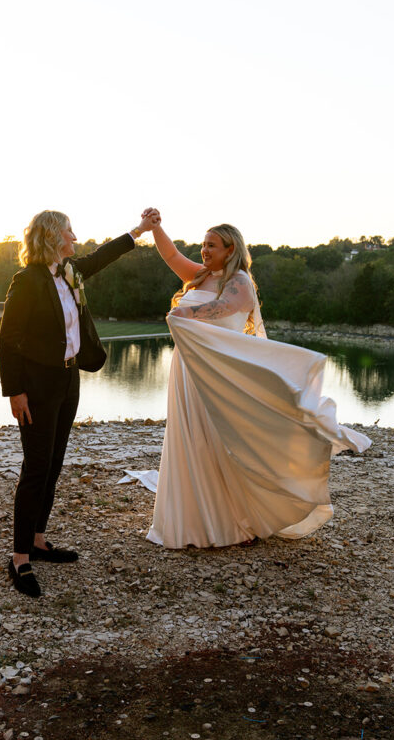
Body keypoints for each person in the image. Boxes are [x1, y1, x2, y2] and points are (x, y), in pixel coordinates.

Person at [146, 217, 372, 549]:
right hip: (188, 366)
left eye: (211, 245)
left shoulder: (239, 281)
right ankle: (190, 519)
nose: (204, 250)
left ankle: (230, 521)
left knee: (218, 438)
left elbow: (226, 307)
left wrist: (186, 314)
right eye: (203, 244)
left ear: (230, 250)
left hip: (220, 371)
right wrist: (154, 228)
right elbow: (171, 256)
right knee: (190, 437)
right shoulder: (202, 276)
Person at [0, 208, 158, 597]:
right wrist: (15, 392)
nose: (74, 236)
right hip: (37, 386)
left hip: (69, 380)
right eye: (68, 231)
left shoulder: (71, 272)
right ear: (53, 237)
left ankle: (38, 539)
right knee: (36, 468)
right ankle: (20, 558)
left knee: (53, 464)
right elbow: (8, 338)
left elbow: (103, 255)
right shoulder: (27, 281)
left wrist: (140, 230)